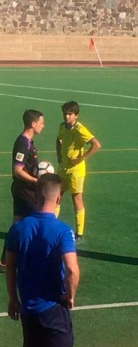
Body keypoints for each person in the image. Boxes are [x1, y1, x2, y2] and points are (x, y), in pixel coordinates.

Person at [5, 173, 80, 347]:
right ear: (58, 200)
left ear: (36, 196)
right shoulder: (62, 231)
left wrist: (13, 298)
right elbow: (72, 269)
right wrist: (70, 294)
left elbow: (10, 267)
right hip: (52, 306)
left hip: (27, 307)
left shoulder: (18, 228)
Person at [0, 110, 45, 270]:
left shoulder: (28, 142)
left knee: (17, 225)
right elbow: (17, 170)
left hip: (22, 189)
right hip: (23, 191)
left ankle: (4, 261)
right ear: (33, 124)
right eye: (41, 123)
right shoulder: (23, 143)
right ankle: (32, 259)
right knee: (39, 221)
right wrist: (36, 181)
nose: (43, 126)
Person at [55, 101, 101, 243]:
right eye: (65, 114)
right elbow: (58, 139)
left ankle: (79, 233)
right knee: (57, 196)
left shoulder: (80, 129)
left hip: (76, 170)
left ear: (76, 115)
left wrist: (81, 158)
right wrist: (58, 154)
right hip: (63, 167)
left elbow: (96, 145)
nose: (67, 116)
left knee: (76, 198)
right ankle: (51, 225)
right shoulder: (62, 126)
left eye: (70, 114)